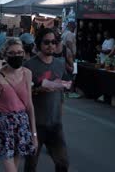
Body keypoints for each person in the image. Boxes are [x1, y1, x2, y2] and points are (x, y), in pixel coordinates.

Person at [0, 38, 37, 172]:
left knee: (14, 167)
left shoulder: (27, 73)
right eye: (12, 53)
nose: (17, 56)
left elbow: (29, 105)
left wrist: (34, 135)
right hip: (4, 127)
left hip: (22, 125)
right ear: (5, 55)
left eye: (20, 52)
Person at [23, 28, 70, 172]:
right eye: (47, 42)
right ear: (39, 43)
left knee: (62, 163)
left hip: (55, 124)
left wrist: (60, 114)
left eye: (54, 42)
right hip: (35, 124)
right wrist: (37, 90)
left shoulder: (60, 64)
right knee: (31, 165)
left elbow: (62, 91)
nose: (51, 45)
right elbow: (21, 94)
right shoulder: (29, 66)